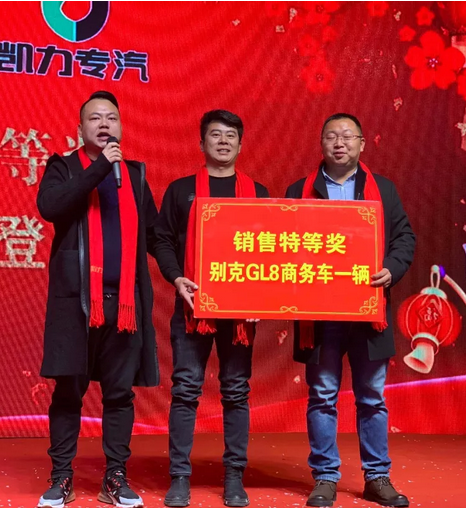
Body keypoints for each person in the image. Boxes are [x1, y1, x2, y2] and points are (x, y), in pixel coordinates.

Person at [285, 113, 416, 508]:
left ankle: (377, 476)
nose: (339, 143)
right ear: (321, 143)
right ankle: (325, 477)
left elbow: (404, 238)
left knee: (372, 397)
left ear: (362, 143)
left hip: (368, 312)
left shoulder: (383, 190)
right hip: (320, 316)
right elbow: (282, 242)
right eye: (331, 136)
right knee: (322, 396)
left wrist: (391, 269)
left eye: (347, 136)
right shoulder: (299, 190)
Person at [36, 91, 159, 508]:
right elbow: (51, 206)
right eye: (95, 118)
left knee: (120, 395)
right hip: (77, 304)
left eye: (111, 118)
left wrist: (180, 273)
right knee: (68, 392)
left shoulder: (135, 176)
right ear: (80, 129)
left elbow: (155, 236)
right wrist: (102, 166)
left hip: (123, 306)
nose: (104, 124)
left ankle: (115, 477)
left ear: (121, 127)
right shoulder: (63, 167)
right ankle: (61, 477)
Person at [154, 110, 269, 507]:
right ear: (201, 143)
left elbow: (272, 249)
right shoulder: (182, 190)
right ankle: (179, 477)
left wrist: (263, 298)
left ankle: (234, 477)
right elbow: (162, 239)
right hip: (193, 306)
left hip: (240, 312)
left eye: (230, 135)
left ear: (240, 144)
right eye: (215, 135)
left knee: (236, 390)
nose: (223, 141)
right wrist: (176, 278)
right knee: (186, 389)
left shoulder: (258, 193)